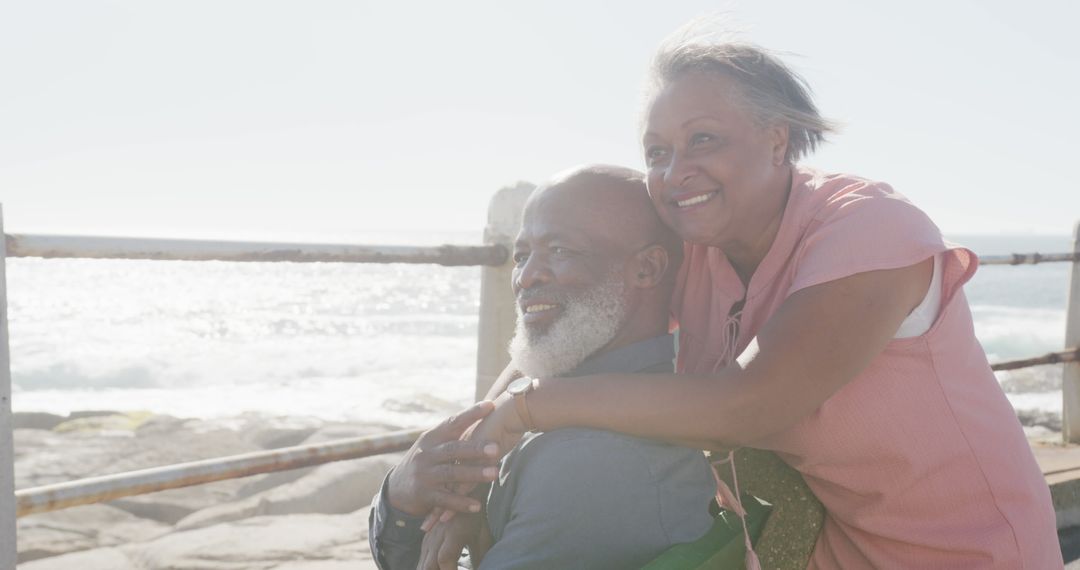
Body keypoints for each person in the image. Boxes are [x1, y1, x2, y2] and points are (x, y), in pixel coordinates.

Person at [442, 33, 1063, 568]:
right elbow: (559, 332)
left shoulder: (871, 229)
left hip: (972, 552)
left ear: (777, 140)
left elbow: (748, 405)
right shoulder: (695, 246)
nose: (674, 171)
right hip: (826, 549)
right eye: (657, 152)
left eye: (703, 140)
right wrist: (466, 478)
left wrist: (528, 412)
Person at [369, 165, 717, 570]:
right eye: (521, 256)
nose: (525, 276)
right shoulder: (558, 418)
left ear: (648, 269)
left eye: (560, 250)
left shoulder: (587, 465)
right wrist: (401, 499)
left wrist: (403, 509)